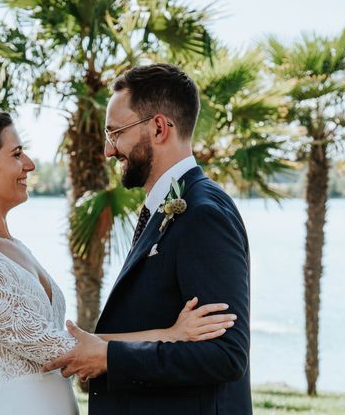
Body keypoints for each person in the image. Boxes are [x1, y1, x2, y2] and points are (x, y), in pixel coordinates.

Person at [0, 106, 236, 415]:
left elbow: (73, 345)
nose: (30, 165)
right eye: (16, 154)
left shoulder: (16, 247)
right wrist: (172, 334)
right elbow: (62, 351)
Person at [43, 64, 252, 415]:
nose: (110, 151)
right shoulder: (168, 207)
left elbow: (225, 355)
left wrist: (110, 358)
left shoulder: (203, 214)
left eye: (116, 133)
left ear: (158, 127)